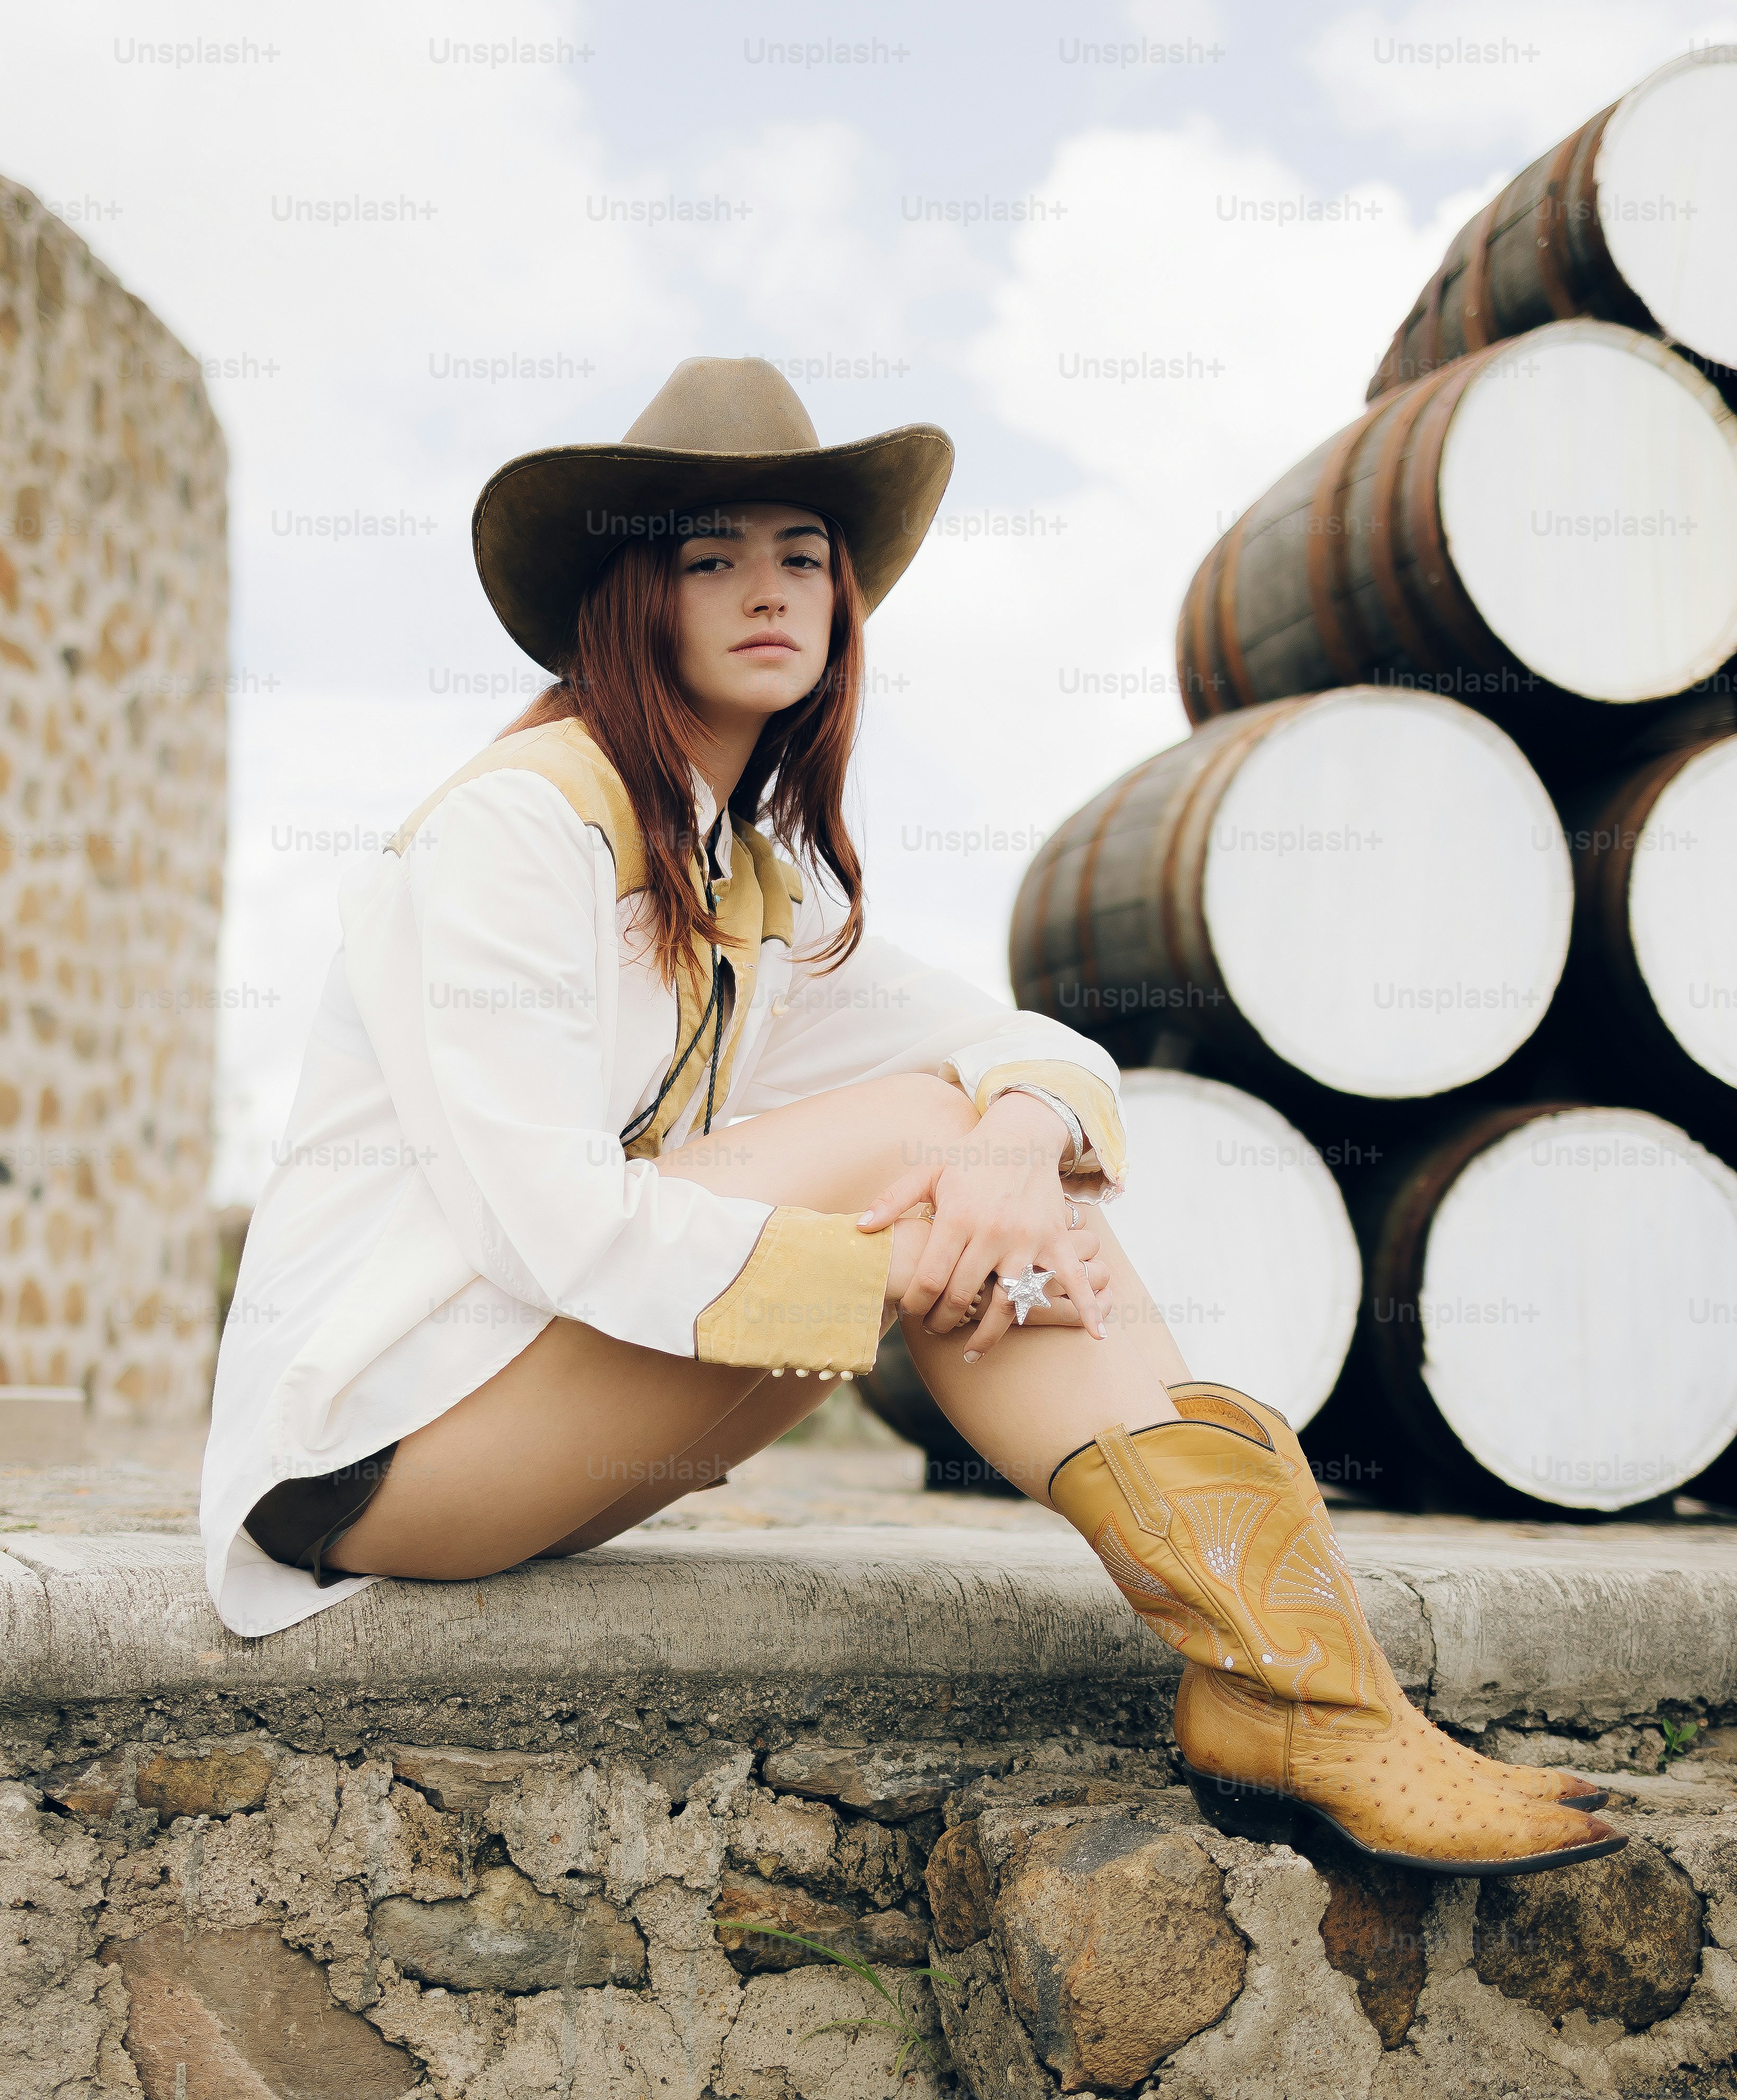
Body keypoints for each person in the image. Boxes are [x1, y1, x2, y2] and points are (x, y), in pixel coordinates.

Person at [200, 357, 1619, 1875]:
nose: (773, 592)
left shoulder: (751, 877)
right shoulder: (520, 825)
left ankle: (1309, 1692)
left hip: (542, 1416)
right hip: (376, 1448)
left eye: (805, 558)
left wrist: (1012, 1148)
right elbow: (543, 1222)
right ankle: (1301, 1697)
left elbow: (1025, 1045)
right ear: (635, 597)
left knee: (967, 1134)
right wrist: (900, 1266)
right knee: (911, 1148)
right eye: (712, 557)